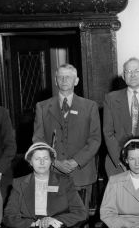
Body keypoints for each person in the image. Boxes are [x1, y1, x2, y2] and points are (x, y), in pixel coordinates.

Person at [32, 64, 102, 202]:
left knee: (80, 219)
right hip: (52, 172)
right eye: (61, 77)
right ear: (55, 80)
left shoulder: (90, 106)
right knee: (54, 219)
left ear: (76, 81)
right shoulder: (42, 107)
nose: (64, 80)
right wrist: (55, 162)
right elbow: (38, 140)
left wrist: (76, 161)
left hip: (81, 174)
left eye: (68, 77)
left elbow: (95, 139)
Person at [3, 142, 87, 228]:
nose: (42, 162)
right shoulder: (19, 184)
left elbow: (81, 213)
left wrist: (55, 221)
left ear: (52, 161)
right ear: (30, 162)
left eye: (46, 158)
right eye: (37, 159)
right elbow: (9, 216)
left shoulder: (65, 182)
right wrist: (32, 224)